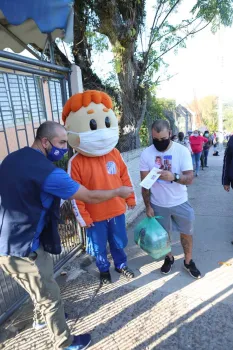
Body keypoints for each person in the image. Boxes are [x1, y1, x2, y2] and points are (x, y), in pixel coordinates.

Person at [0, 121, 133, 350]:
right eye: (61, 142)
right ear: (45, 141)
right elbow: (89, 196)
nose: (65, 148)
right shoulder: (50, 174)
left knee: (38, 288)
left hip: (9, 243)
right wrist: (118, 192)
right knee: (51, 298)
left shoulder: (12, 158)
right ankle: (64, 343)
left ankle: (41, 319)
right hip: (23, 250)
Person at [63, 90, 136, 285]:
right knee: (98, 246)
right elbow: (74, 193)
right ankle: (103, 269)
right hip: (94, 216)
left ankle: (120, 265)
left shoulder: (115, 153)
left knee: (119, 242)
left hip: (117, 210)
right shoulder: (75, 163)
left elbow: (124, 176)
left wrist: (130, 197)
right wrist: (83, 217)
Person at [140, 120, 201, 279]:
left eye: (163, 139)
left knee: (186, 233)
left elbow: (190, 178)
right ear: (152, 136)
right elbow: (145, 185)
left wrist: (174, 177)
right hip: (158, 204)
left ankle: (188, 261)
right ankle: (169, 258)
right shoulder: (146, 154)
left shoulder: (181, 151)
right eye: (156, 139)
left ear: (170, 134)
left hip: (180, 202)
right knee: (164, 235)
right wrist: (147, 206)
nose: (159, 142)